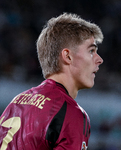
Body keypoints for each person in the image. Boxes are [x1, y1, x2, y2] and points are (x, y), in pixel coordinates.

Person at [0, 12, 104, 150]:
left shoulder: (16, 102)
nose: (99, 59)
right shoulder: (71, 113)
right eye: (91, 51)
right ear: (68, 56)